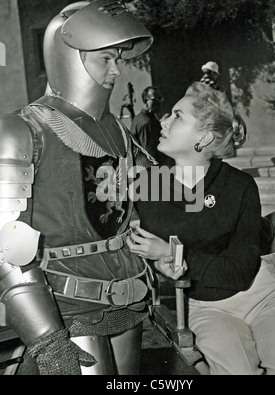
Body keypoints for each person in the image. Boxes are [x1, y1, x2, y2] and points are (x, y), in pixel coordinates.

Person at [0, 0, 156, 375]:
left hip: (127, 296)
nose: (117, 70)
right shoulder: (21, 131)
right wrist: (48, 341)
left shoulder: (117, 130)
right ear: (69, 56)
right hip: (64, 306)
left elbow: (131, 209)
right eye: (105, 58)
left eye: (119, 57)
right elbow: (6, 245)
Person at [126, 82, 275, 375]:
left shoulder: (239, 186)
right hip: (206, 306)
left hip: (264, 295)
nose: (164, 121)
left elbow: (240, 272)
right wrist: (158, 264)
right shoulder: (149, 186)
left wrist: (173, 253)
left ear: (203, 137)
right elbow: (143, 253)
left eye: (177, 116)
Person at [130, 86, 168, 164]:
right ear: (145, 100)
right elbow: (150, 156)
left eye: (160, 98)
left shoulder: (148, 117)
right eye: (155, 99)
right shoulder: (146, 123)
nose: (159, 102)